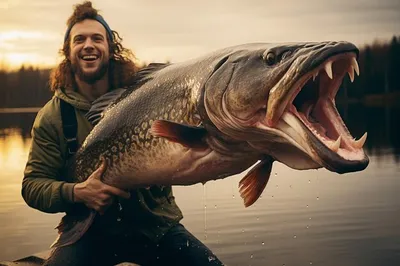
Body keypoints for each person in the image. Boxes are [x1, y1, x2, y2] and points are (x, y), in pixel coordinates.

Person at [21, 1, 224, 265]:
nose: (89, 45)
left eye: (97, 38)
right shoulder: (52, 117)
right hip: (88, 232)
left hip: (157, 227)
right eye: (79, 39)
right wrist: (76, 192)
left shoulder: (147, 94)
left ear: (110, 48)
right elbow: (32, 186)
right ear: (68, 52)